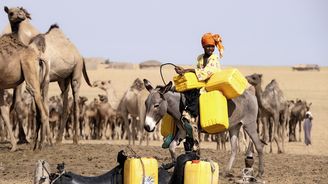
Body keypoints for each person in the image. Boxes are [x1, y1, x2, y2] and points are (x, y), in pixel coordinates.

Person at [174, 32, 224, 153]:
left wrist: (189, 70)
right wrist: (184, 72)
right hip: (201, 83)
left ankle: (192, 117)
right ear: (203, 47)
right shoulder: (200, 58)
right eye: (208, 46)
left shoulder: (214, 58)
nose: (210, 49)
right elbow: (198, 71)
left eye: (212, 46)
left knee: (197, 95)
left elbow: (208, 72)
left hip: (211, 83)